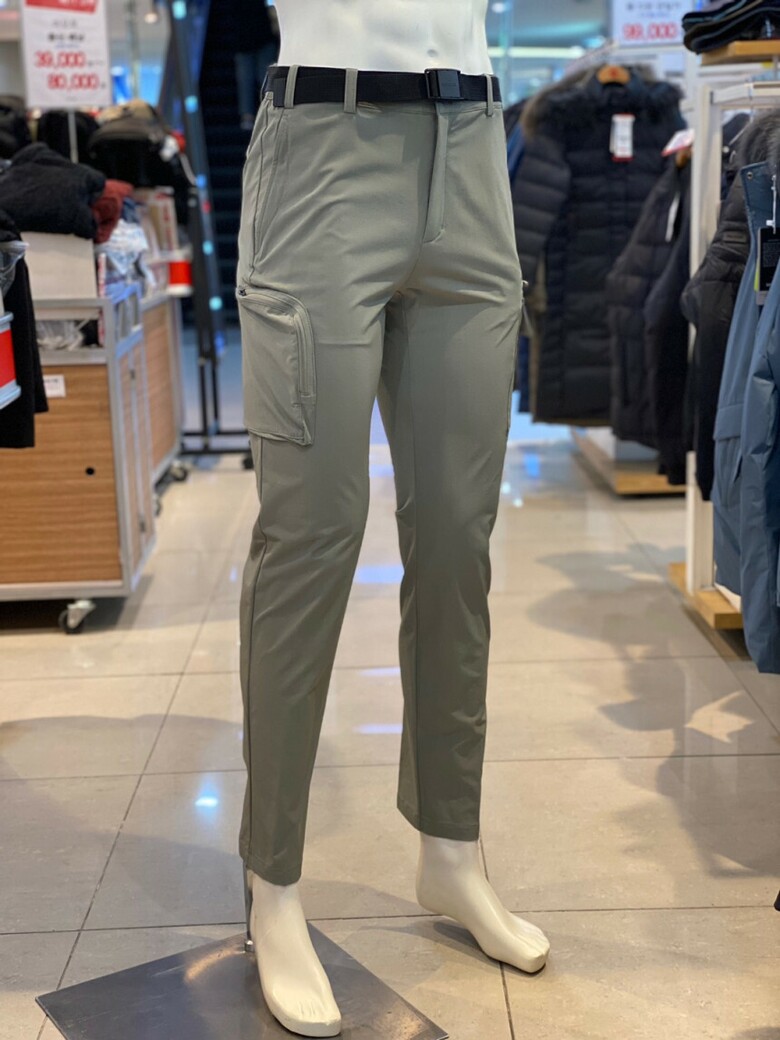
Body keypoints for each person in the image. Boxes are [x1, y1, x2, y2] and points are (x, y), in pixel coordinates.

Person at [236, 1, 551, 1035]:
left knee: (460, 537)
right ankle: (272, 882)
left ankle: (451, 850)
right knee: (310, 537)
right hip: (323, 153)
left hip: (474, 157)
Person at [234, 0, 279, 131]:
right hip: (259, 35)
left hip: (248, 36)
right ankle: (264, 113)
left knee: (249, 78)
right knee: (260, 77)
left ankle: (249, 116)